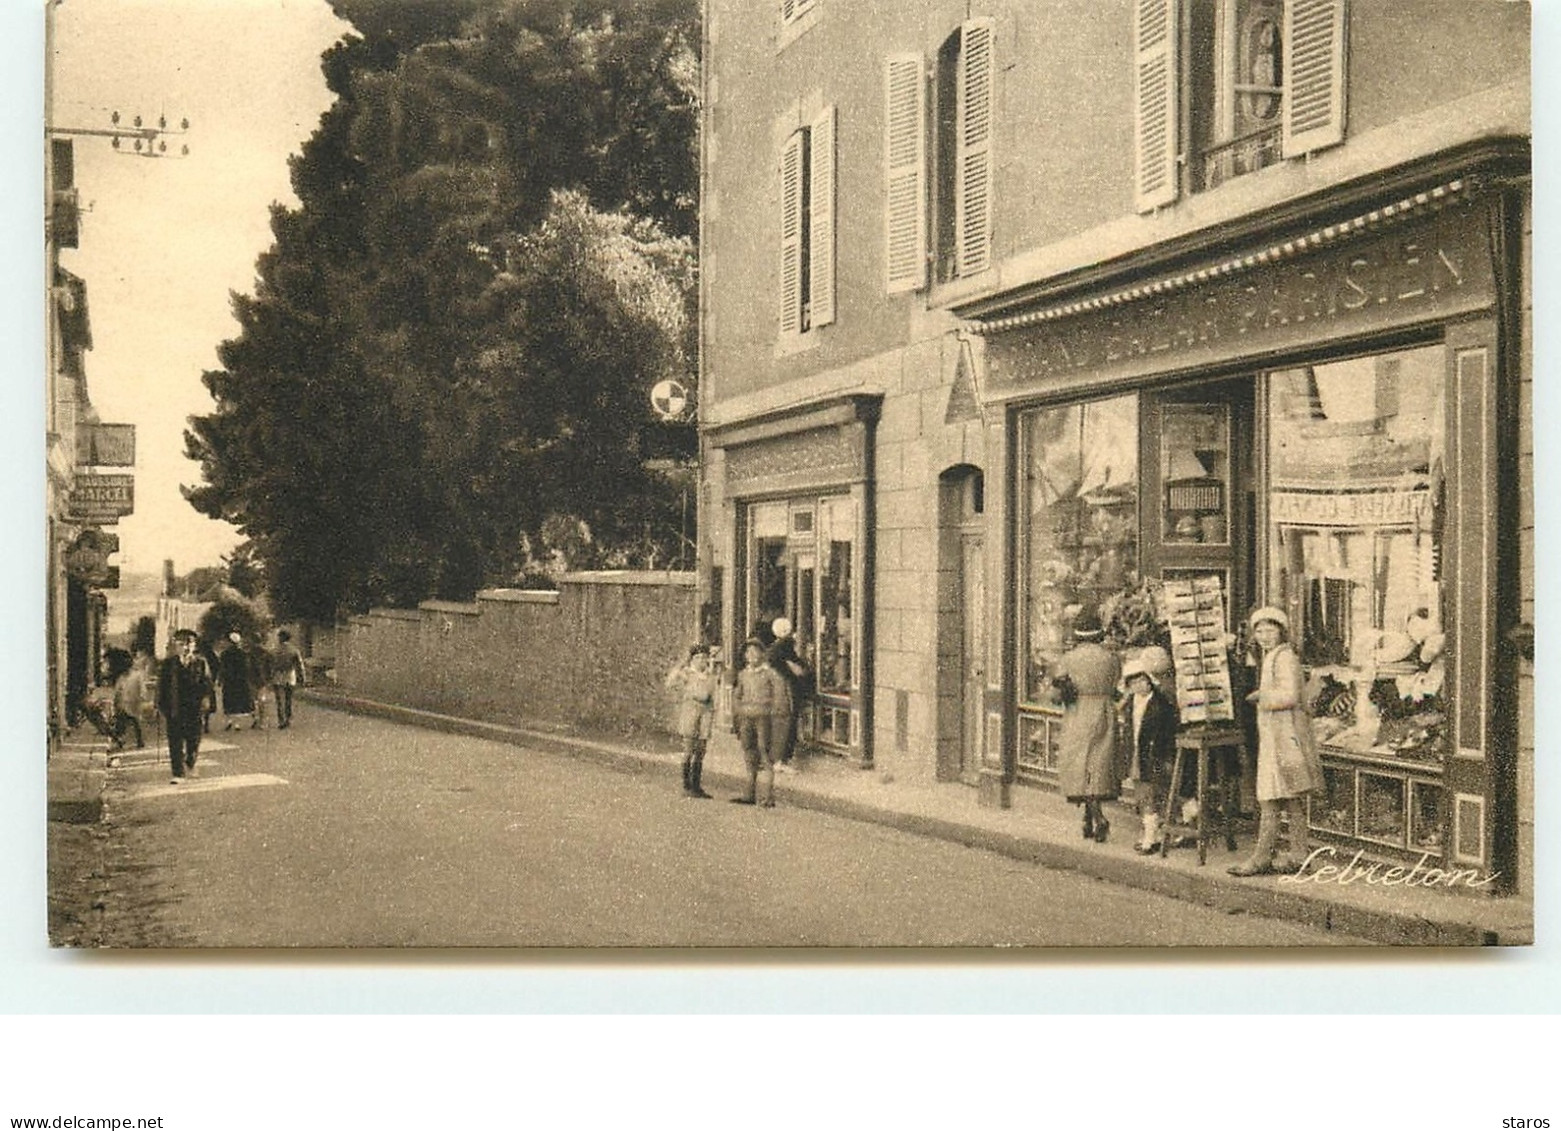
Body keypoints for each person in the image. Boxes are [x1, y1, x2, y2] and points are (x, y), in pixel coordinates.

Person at [1228, 607, 1325, 876]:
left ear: (1280, 631)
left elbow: (1290, 696)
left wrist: (1262, 699)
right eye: (1259, 631)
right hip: (1281, 736)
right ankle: (1299, 856)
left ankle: (1261, 859)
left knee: (1271, 798)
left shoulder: (1283, 657)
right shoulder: (1275, 656)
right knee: (1291, 799)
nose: (1263, 636)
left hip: (1283, 737)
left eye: (1269, 630)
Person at [1049, 607, 1122, 843]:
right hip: (1104, 710)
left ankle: (1097, 818)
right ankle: (1090, 819)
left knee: (1082, 766)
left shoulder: (1068, 659)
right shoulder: (1111, 658)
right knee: (1097, 766)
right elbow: (1116, 683)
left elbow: (1056, 694)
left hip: (1079, 712)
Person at [1120, 654, 1179, 854]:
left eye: (1142, 681)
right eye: (1134, 682)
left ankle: (1153, 834)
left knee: (1154, 792)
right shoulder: (1131, 703)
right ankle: (1154, 831)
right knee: (1144, 793)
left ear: (1150, 681)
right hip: (1138, 753)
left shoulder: (1160, 704)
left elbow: (1165, 732)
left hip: (1154, 754)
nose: (1139, 686)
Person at [730, 637, 786, 808]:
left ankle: (768, 796)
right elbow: (736, 696)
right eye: (748, 652)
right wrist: (739, 711)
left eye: (755, 652)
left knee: (764, 754)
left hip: (764, 718)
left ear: (762, 654)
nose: (752, 655)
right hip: (746, 718)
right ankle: (749, 793)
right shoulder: (743, 674)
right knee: (749, 754)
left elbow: (780, 696)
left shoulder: (770, 674)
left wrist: (772, 713)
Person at [157, 629, 214, 784]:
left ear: (194, 646)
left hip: (194, 708)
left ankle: (190, 760)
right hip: (174, 707)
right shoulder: (169, 664)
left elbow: (207, 684)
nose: (186, 648)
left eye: (190, 644)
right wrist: (160, 706)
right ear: (176, 646)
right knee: (175, 741)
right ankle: (178, 773)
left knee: (193, 741)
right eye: (182, 644)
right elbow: (162, 686)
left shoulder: (200, 663)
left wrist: (206, 700)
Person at [664, 644, 717, 799]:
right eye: (697, 658)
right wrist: (682, 664)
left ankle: (696, 785)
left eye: (704, 658)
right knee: (688, 749)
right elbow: (670, 682)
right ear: (692, 660)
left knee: (701, 750)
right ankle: (686, 785)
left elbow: (713, 695)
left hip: (705, 713)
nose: (701, 661)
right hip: (690, 712)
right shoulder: (687, 674)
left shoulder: (710, 675)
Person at [768, 617, 810, 773]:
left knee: (779, 724)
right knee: (788, 723)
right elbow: (799, 671)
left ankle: (776, 758)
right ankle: (782, 759)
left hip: (778, 691)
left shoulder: (773, 649)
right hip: (788, 691)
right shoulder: (785, 649)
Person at [109, 647, 148, 751]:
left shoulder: (137, 675)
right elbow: (118, 690)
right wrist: (116, 702)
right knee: (121, 723)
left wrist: (142, 698)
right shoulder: (121, 677)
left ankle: (140, 741)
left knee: (136, 723)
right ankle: (120, 740)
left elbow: (142, 688)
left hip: (134, 703)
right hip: (123, 703)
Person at [219, 632, 256, 729]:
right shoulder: (243, 654)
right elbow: (247, 668)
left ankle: (231, 721)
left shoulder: (224, 654)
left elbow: (222, 668)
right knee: (240, 700)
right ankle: (237, 723)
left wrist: (220, 679)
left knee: (229, 700)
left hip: (229, 680)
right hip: (241, 680)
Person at [271, 629, 306, 729]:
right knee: (288, 699)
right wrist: (302, 677)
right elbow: (300, 665)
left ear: (281, 638)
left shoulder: (274, 650)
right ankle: (288, 718)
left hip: (277, 675)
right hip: (290, 675)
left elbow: (270, 664)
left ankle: (281, 720)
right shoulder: (294, 650)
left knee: (279, 700)